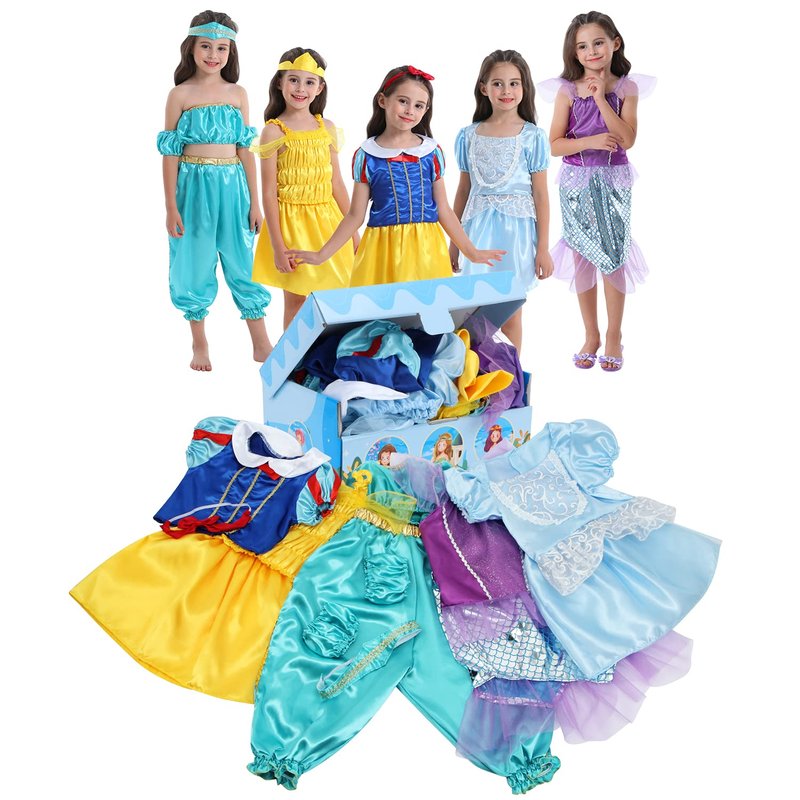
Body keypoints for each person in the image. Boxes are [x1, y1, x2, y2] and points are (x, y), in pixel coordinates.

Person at [287, 66, 504, 286]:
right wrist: (321, 255)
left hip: (427, 250)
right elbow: (355, 215)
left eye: (418, 105)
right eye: (403, 101)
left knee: (427, 304)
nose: (410, 110)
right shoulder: (367, 155)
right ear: (383, 100)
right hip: (382, 251)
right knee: (383, 305)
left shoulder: (431, 152)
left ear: (426, 110)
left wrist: (471, 251)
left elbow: (444, 210)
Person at [158, 10, 272, 371]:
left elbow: (245, 150)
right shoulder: (180, 95)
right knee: (194, 258)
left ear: (231, 52)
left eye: (222, 48)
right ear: (191, 48)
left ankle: (261, 342)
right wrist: (171, 207)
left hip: (233, 186)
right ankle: (200, 341)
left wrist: (255, 203)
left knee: (242, 258)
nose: (213, 54)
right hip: (193, 188)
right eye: (206, 46)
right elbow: (170, 153)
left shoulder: (238, 93)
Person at [543, 11, 654, 371]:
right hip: (575, 183)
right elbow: (555, 145)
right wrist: (589, 141)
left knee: (613, 254)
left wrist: (602, 99)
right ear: (574, 53)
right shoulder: (566, 91)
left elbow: (627, 139)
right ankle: (590, 334)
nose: (591, 51)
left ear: (614, 44)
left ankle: (613, 335)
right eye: (582, 46)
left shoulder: (626, 88)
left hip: (612, 181)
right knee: (582, 256)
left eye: (598, 43)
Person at [450, 50, 553, 352]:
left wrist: (543, 248)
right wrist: (454, 244)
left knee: (510, 313)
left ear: (524, 87)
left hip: (516, 236)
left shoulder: (533, 137)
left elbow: (541, 195)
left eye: (513, 83)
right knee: (472, 312)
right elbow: (463, 190)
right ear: (484, 88)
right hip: (477, 232)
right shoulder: (468, 135)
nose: (506, 91)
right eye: (498, 83)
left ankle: (511, 375)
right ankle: (474, 373)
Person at [251, 49, 355, 329]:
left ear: (320, 88)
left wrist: (354, 234)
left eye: (309, 82)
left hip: (329, 223)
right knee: (297, 299)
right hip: (293, 226)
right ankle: (292, 354)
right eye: (293, 80)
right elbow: (269, 193)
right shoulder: (274, 131)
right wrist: (278, 246)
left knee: (336, 294)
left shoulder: (327, 128)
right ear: (280, 83)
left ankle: (327, 351)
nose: (300, 89)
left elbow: (337, 183)